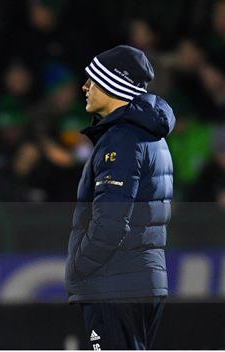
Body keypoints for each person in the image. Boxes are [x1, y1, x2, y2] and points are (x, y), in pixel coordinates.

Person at [65, 45, 175, 350]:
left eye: (93, 79)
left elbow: (111, 222)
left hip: (115, 284)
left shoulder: (122, 139)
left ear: (114, 83)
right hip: (138, 279)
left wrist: (80, 265)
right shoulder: (149, 134)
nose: (84, 87)